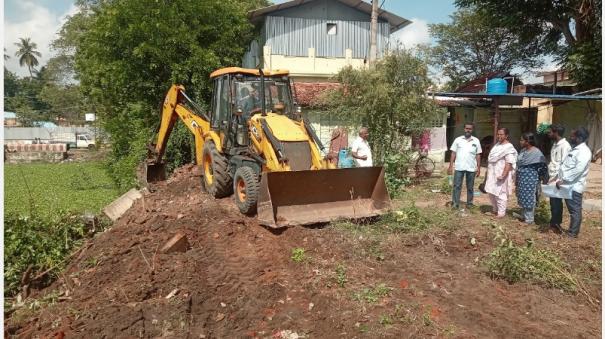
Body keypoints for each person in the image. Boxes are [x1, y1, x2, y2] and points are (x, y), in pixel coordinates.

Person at [554, 127, 592, 238]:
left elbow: (578, 169)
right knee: (572, 209)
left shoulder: (584, 151)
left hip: (574, 186)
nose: (570, 138)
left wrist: (564, 180)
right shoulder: (575, 149)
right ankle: (570, 231)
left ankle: (572, 233)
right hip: (567, 185)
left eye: (572, 136)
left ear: (579, 138)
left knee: (575, 210)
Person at [515, 132, 548, 224]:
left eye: (522, 140)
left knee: (529, 197)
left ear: (528, 141)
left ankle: (529, 220)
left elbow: (543, 166)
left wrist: (542, 178)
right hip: (522, 177)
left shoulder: (536, 152)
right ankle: (523, 216)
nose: (520, 142)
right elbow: (519, 164)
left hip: (530, 178)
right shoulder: (523, 151)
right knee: (522, 196)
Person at [484, 127, 517, 217]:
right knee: (491, 191)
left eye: (501, 134)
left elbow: (509, 162)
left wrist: (503, 175)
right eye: (498, 134)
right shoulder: (497, 145)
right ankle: (495, 210)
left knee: (501, 193)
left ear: (506, 136)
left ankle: (501, 213)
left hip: (501, 174)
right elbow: (491, 159)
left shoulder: (509, 147)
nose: (499, 136)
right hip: (492, 173)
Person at [448, 122, 482, 209]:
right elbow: (453, 153)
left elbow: (478, 155)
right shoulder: (458, 140)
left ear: (472, 130)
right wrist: (450, 166)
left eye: (470, 129)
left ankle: (469, 203)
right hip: (459, 167)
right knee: (457, 186)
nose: (468, 130)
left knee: (470, 187)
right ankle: (455, 203)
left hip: (471, 168)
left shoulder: (476, 141)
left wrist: (478, 167)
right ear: (464, 129)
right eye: (467, 128)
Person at [545, 124, 572, 233]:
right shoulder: (555, 144)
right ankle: (553, 223)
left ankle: (556, 225)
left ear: (556, 132)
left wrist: (556, 178)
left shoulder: (565, 146)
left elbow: (564, 165)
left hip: (557, 178)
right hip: (552, 176)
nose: (548, 134)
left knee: (556, 202)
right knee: (553, 202)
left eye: (550, 132)